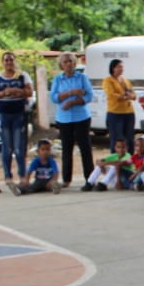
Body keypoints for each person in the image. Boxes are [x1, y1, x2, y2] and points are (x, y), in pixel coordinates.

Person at [49, 51, 95, 187]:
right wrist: (71, 93)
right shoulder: (58, 79)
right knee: (67, 149)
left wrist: (73, 102)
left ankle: (90, 178)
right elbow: (54, 97)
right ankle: (66, 179)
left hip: (81, 117)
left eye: (71, 61)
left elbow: (89, 95)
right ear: (61, 65)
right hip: (64, 119)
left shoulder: (82, 77)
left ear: (75, 63)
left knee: (85, 148)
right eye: (65, 61)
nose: (68, 64)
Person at [0, 51, 33, 183]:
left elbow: (30, 92)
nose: (9, 62)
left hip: (19, 114)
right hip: (2, 115)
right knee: (7, 147)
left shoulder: (22, 76)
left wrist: (18, 91)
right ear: (2, 62)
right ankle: (7, 175)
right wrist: (3, 93)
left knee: (19, 147)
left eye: (11, 60)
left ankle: (22, 175)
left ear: (15, 61)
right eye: (6, 60)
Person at [102, 58, 136, 153]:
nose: (121, 69)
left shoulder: (125, 81)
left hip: (129, 112)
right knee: (116, 139)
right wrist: (125, 96)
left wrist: (129, 96)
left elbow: (133, 94)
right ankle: (115, 159)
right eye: (119, 67)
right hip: (115, 113)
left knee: (129, 138)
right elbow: (111, 95)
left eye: (122, 67)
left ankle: (130, 158)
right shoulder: (108, 80)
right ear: (113, 68)